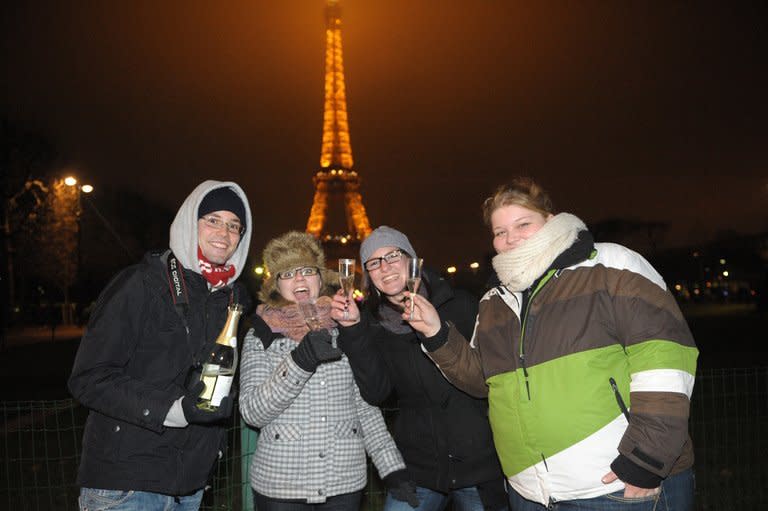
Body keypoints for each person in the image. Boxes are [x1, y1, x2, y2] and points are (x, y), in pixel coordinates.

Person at [406, 178, 698, 511]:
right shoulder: (494, 301)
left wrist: (646, 459)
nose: (510, 237)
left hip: (614, 486)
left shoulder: (610, 265)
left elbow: (665, 356)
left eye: (523, 224)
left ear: (550, 219)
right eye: (500, 232)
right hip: (529, 493)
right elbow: (482, 380)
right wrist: (436, 333)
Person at [68, 181, 252, 511]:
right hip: (126, 484)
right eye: (212, 219)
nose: (224, 233)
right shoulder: (141, 283)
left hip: (191, 486)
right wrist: (175, 408)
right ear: (189, 221)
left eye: (234, 224)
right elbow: (88, 379)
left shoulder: (232, 300)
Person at [329, 226, 508, 511]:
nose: (385, 267)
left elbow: (492, 374)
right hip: (419, 465)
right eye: (374, 262)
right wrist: (353, 330)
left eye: (392, 256)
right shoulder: (374, 327)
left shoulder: (460, 305)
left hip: (479, 464)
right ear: (368, 276)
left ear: (412, 261)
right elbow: (377, 392)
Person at [239, 231, 412, 511]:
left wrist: (392, 468)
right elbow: (252, 411)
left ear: (321, 279)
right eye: (287, 273)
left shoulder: (345, 329)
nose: (299, 279)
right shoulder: (261, 335)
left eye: (307, 270)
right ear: (275, 286)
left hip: (343, 484)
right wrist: (300, 362)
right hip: (280, 488)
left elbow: (365, 408)